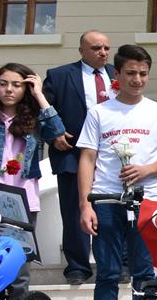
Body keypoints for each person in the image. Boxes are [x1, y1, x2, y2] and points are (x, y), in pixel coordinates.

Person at [77, 44, 157, 300]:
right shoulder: (100, 112)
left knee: (144, 275)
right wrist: (84, 204)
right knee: (107, 273)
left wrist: (147, 170)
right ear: (117, 75)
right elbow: (87, 159)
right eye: (131, 73)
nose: (138, 79)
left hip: (146, 202)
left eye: (143, 73)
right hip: (106, 201)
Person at [0, 63, 66, 300]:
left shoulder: (33, 120)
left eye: (16, 84)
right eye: (3, 84)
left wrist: (40, 96)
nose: (9, 90)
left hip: (21, 205)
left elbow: (58, 134)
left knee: (19, 275)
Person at [43, 30, 116, 284]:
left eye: (106, 48)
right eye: (96, 48)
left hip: (112, 157)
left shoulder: (120, 75)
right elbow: (39, 112)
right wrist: (53, 136)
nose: (103, 53)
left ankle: (117, 264)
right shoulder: (60, 76)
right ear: (82, 51)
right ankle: (77, 266)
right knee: (75, 212)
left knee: (113, 213)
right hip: (73, 154)